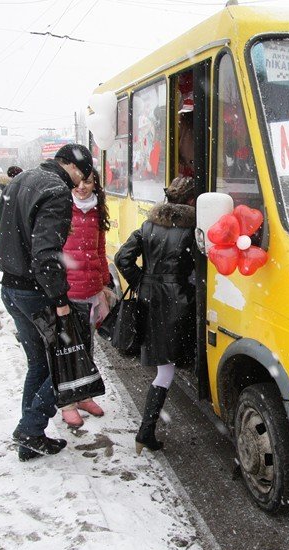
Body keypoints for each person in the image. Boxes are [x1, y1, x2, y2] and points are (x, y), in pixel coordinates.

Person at [0, 143, 93, 461]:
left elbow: (9, 232)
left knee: (38, 363)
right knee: (64, 364)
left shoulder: (21, 180)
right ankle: (30, 428)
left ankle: (30, 440)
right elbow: (46, 253)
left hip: (11, 288)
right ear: (74, 166)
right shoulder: (55, 190)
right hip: (36, 293)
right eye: (83, 175)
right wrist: (60, 299)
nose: (80, 184)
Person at [115, 176, 198, 454]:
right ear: (190, 201)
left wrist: (142, 282)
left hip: (152, 301)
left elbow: (122, 258)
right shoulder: (192, 229)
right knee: (168, 368)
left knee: (165, 366)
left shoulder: (148, 225)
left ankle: (146, 432)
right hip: (179, 302)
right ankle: (145, 431)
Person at [60, 169, 114, 427]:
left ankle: (84, 395)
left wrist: (104, 283)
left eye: (89, 182)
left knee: (87, 347)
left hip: (91, 289)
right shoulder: (60, 207)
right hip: (66, 291)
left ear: (96, 185)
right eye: (78, 182)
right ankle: (67, 403)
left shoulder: (96, 211)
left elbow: (100, 249)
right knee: (68, 349)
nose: (82, 186)